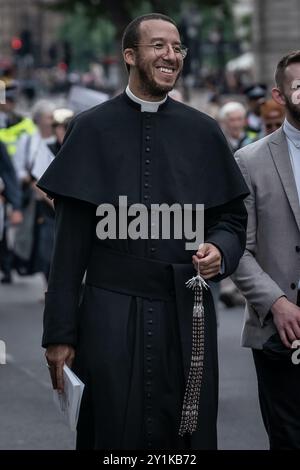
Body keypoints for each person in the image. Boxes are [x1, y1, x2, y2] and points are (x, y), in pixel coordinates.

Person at [37, 13, 249, 450]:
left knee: (185, 436)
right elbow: (70, 244)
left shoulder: (204, 132)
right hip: (108, 312)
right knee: (113, 431)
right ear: (130, 56)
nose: (171, 55)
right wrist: (59, 334)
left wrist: (220, 251)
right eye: (158, 46)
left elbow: (231, 218)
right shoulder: (91, 128)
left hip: (185, 310)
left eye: (177, 47)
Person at [232, 50, 300, 449]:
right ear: (279, 95)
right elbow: (238, 248)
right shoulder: (249, 161)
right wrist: (276, 302)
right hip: (280, 331)